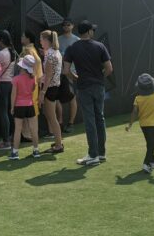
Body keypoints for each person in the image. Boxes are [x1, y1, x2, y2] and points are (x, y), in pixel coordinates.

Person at [62, 20, 113, 166]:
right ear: (89, 32)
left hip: (84, 87)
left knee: (90, 120)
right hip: (98, 86)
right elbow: (109, 69)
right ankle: (101, 153)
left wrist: (76, 78)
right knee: (100, 118)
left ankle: (93, 155)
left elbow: (66, 71)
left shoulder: (72, 48)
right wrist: (99, 77)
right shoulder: (100, 46)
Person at [125, 73, 154, 173]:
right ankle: (146, 163)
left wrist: (130, 124)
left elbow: (134, 112)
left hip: (143, 125)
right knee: (152, 145)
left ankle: (153, 161)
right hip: (152, 125)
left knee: (150, 144)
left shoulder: (137, 98)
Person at [8, 55, 41, 160]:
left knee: (18, 130)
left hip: (19, 106)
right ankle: (36, 151)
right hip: (30, 105)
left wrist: (12, 107)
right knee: (33, 129)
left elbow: (13, 95)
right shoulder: (33, 78)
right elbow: (32, 90)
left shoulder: (16, 79)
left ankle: (15, 153)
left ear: (22, 67)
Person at [39, 30, 64, 154]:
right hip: (54, 87)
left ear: (46, 40)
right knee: (51, 116)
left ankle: (59, 145)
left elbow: (48, 76)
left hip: (50, 88)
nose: (40, 41)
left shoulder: (50, 54)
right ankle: (58, 141)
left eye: (41, 39)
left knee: (51, 117)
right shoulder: (55, 52)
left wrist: (42, 93)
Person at [0, 30, 17, 151]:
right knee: (8, 112)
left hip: (2, 84)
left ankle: (6, 141)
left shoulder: (0, 54)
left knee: (3, 113)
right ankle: (11, 137)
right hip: (10, 83)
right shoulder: (12, 52)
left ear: (1, 40)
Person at [57, 19, 79, 133]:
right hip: (58, 72)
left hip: (72, 72)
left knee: (72, 97)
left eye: (68, 25)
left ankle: (71, 123)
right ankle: (59, 123)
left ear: (72, 26)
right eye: (64, 25)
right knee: (58, 98)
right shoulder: (58, 39)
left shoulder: (77, 40)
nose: (66, 27)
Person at [20, 30, 43, 141]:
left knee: (27, 108)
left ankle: (27, 134)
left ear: (28, 38)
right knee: (33, 108)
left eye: (23, 35)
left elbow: (27, 68)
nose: (21, 37)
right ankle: (30, 133)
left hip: (29, 83)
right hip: (35, 82)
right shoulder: (33, 49)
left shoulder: (27, 50)